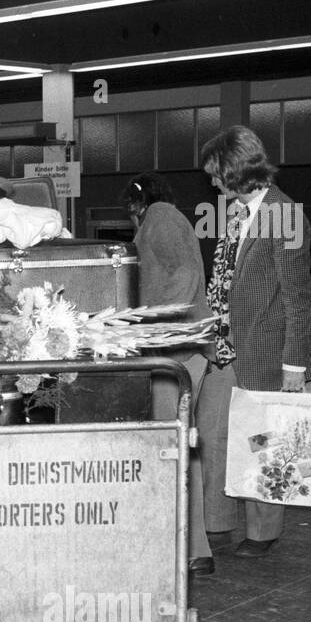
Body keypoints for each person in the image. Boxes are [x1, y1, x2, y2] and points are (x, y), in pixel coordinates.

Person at [196, 126, 311, 559]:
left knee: (264, 444)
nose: (212, 182)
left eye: (217, 174)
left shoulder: (284, 215)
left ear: (237, 170)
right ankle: (217, 524)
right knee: (214, 437)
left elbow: (298, 298)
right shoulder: (233, 210)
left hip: (267, 351)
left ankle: (263, 531)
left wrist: (295, 367)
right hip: (223, 344)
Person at [123, 173, 214, 575]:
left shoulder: (160, 217)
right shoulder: (168, 217)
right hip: (177, 349)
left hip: (176, 351)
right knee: (177, 442)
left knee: (173, 445)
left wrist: (154, 326)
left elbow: (185, 276)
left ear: (137, 202)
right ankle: (190, 545)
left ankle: (193, 549)